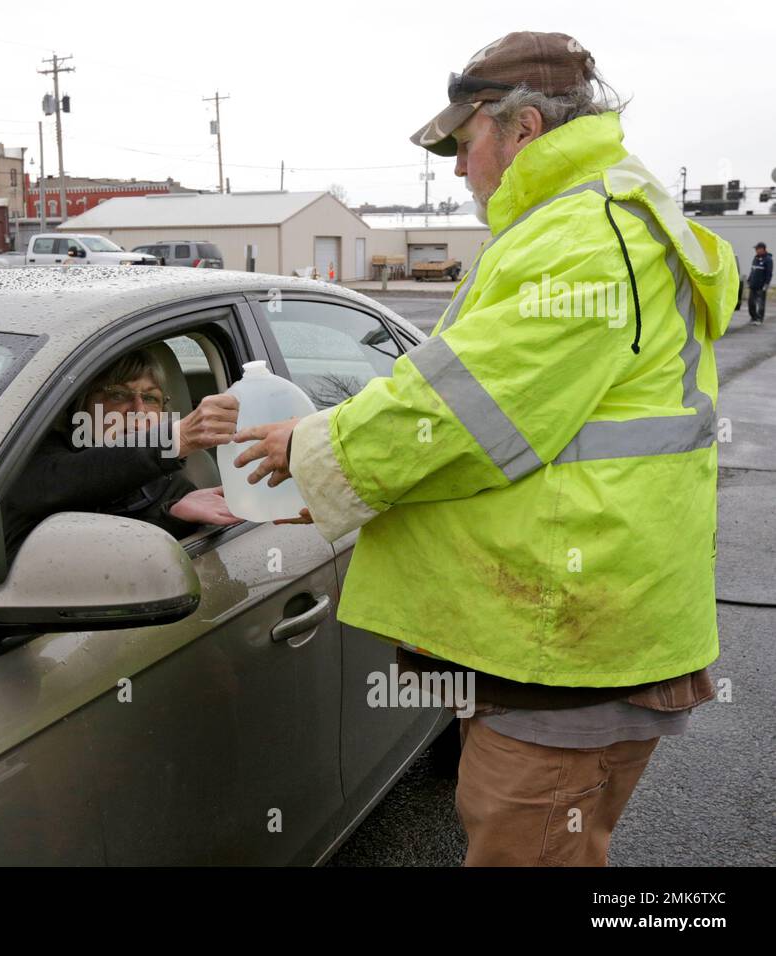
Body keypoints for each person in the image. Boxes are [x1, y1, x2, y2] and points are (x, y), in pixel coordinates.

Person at [232, 32, 738, 866]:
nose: (459, 169)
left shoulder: (586, 237)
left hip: (566, 642)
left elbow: (462, 407)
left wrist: (308, 447)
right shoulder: (580, 222)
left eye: (465, 145)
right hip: (570, 630)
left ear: (524, 129)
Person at [1, 348, 239, 550]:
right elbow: (68, 482)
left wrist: (175, 516)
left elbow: (129, 561)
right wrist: (176, 438)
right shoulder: (36, 458)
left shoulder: (176, 485)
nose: (138, 410)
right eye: (117, 394)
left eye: (150, 398)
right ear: (82, 404)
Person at [747, 241, 772, 323]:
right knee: (751, 303)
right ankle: (753, 317)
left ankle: (759, 319)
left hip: (761, 286)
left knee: (760, 303)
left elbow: (769, 273)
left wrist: (766, 284)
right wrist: (749, 280)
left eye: (758, 249)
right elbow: (752, 270)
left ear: (763, 249)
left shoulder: (768, 260)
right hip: (753, 285)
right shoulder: (756, 258)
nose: (756, 250)